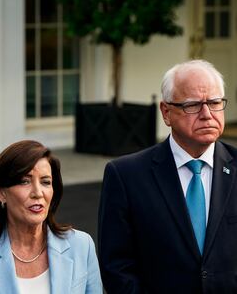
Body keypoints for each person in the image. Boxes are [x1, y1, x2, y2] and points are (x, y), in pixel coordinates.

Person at [98, 59, 237, 293]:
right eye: (193, 105)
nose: (206, 114)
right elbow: (116, 267)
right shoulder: (125, 176)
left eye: (214, 103)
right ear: (166, 112)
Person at [0, 140, 102, 293]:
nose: (37, 192)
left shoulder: (82, 246)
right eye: (25, 181)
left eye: (46, 182)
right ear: (1, 193)